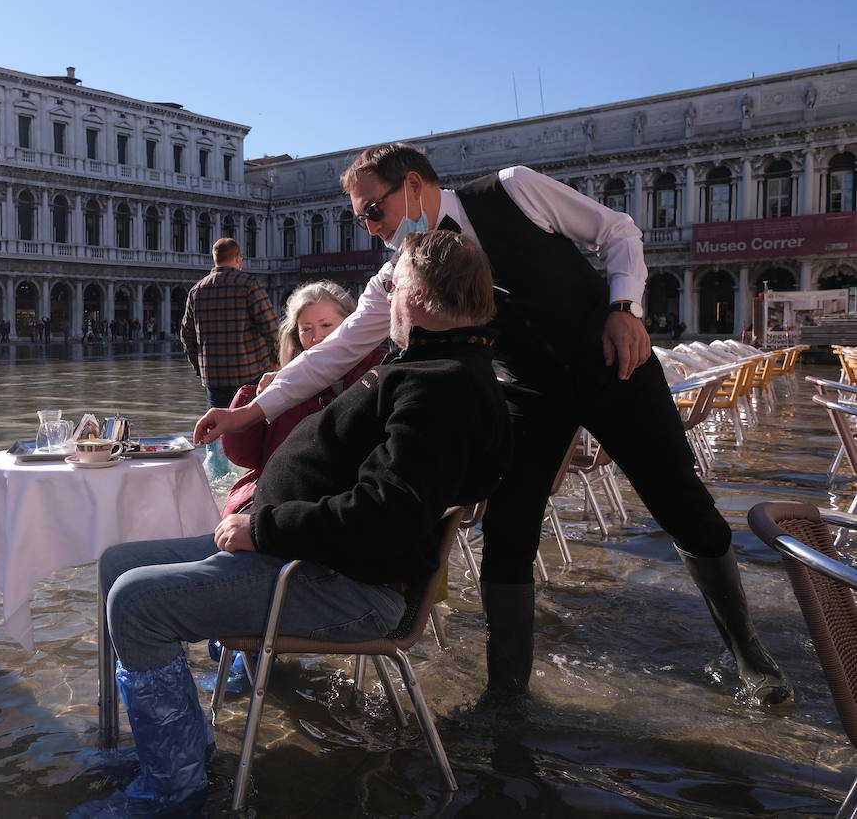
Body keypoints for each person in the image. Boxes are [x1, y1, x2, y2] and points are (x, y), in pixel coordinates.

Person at [195, 142, 790, 705]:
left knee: (681, 502)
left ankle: (750, 655)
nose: (370, 227)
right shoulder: (400, 272)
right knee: (508, 530)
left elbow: (617, 230)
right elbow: (338, 350)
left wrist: (624, 309)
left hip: (616, 365)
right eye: (361, 219)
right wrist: (248, 412)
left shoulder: (514, 189)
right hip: (529, 392)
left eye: (374, 211)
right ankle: (506, 693)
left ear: (413, 184)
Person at [77, 230, 509, 817]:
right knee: (117, 563)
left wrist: (265, 529)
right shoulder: (433, 365)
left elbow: (386, 513)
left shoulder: (442, 387)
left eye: (394, 288)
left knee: (136, 600)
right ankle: (173, 740)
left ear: (423, 299)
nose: (384, 301)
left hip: (339, 581)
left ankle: (174, 788)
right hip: (300, 553)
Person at [220, 279, 386, 519]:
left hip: (331, 511)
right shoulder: (282, 381)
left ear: (353, 326)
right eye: (306, 329)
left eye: (326, 325)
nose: (316, 338)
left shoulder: (382, 372)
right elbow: (242, 455)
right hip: (274, 503)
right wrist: (252, 397)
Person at [180, 237, 278, 476]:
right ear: (237, 258)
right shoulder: (248, 284)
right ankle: (251, 482)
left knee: (215, 437)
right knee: (252, 432)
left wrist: (201, 368)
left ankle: (217, 483)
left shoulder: (197, 290)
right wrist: (276, 362)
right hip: (251, 374)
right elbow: (271, 327)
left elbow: (186, 336)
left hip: (215, 379)